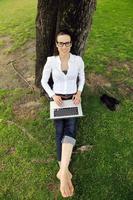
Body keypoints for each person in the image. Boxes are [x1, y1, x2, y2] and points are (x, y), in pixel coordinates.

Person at [41, 29, 85, 198]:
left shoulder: (78, 60)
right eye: (61, 43)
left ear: (71, 44)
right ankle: (65, 174)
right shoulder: (51, 61)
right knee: (59, 132)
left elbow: (82, 77)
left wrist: (79, 92)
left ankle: (63, 172)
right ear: (57, 44)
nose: (64, 46)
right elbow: (44, 81)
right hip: (58, 101)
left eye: (67, 43)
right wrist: (53, 95)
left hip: (73, 100)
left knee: (71, 129)